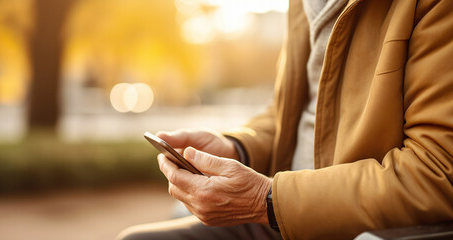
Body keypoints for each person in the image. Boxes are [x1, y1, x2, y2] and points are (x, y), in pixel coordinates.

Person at [117, 0, 453, 239]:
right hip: (281, 216)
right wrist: (236, 147)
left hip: (353, 227)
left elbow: (437, 170)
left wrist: (269, 200)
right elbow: (290, 110)